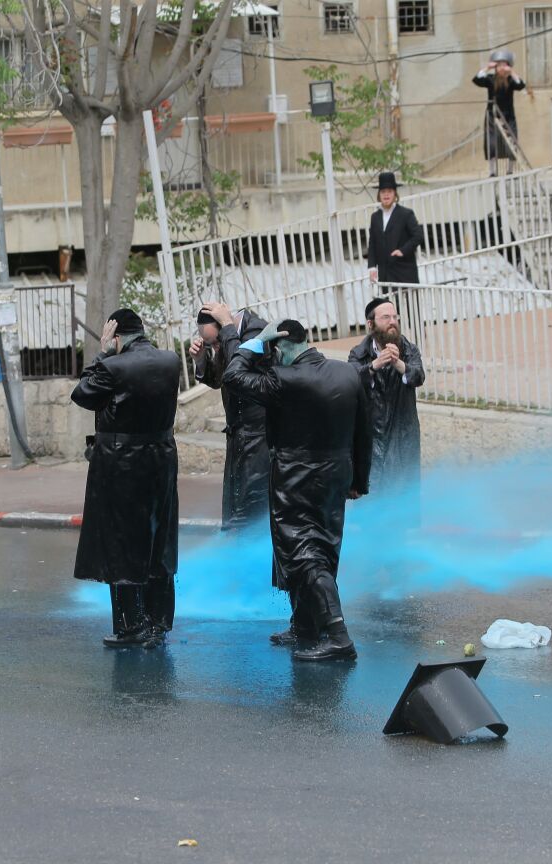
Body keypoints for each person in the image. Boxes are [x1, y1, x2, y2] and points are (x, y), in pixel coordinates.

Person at [222, 319, 372, 662]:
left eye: (274, 349)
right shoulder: (348, 373)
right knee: (324, 546)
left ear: (282, 345)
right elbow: (365, 432)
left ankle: (338, 635)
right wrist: (358, 480)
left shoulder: (284, 378)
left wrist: (257, 340)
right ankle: (306, 626)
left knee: (302, 550)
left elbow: (232, 376)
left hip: (296, 474)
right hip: (336, 473)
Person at [71, 309, 181, 648]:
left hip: (121, 463)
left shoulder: (112, 365)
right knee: (158, 540)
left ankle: (131, 625)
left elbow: (83, 394)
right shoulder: (171, 361)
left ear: (115, 335)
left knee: (121, 544)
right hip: (161, 458)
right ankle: (158, 623)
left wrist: (102, 352)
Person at [190, 301, 270, 530]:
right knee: (236, 508)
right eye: (210, 345)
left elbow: (239, 371)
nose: (216, 348)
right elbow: (219, 380)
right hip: (238, 433)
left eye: (215, 342)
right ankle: (238, 555)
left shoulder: (257, 331)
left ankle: (258, 555)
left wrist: (227, 328)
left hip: (260, 433)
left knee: (255, 505)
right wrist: (201, 360)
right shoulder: (226, 338)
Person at [348, 298, 425, 499]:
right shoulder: (359, 353)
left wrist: (398, 363)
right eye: (385, 317)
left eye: (394, 317)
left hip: (403, 434)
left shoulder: (409, 350)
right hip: (372, 437)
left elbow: (418, 377)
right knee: (373, 495)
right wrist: (375, 365)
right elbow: (350, 381)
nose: (392, 321)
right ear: (371, 324)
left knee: (403, 496)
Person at [473, 50, 529, 177]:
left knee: (511, 142)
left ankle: (510, 170)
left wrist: (512, 72)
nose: (501, 68)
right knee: (492, 143)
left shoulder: (510, 80)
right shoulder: (490, 79)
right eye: (499, 65)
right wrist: (487, 68)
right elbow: (477, 79)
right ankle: (492, 171)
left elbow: (521, 85)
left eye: (504, 65)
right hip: (492, 115)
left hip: (508, 115)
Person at [366, 171, 424, 287]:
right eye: (383, 192)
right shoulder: (375, 217)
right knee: (388, 304)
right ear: (379, 194)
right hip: (385, 274)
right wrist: (372, 267)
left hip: (405, 272)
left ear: (395, 194)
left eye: (389, 191)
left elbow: (418, 236)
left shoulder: (405, 214)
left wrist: (402, 251)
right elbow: (372, 243)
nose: (386, 195)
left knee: (409, 304)